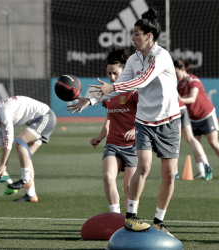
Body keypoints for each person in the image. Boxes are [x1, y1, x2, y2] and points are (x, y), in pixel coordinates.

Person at [68, 7, 180, 236]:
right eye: (133, 33)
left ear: (149, 36)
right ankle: (130, 217)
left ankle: (159, 221)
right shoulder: (133, 59)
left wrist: (113, 86)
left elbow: (142, 80)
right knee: (144, 167)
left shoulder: (161, 56)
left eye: (137, 34)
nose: (133, 38)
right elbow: (115, 91)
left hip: (169, 121)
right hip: (144, 122)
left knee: (169, 175)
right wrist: (88, 101)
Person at [0, 96, 57, 202]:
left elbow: (9, 139)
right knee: (26, 157)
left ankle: (25, 180)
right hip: (37, 121)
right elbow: (5, 141)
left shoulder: (4, 112)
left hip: (45, 117)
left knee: (20, 142)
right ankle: (31, 194)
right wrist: (3, 164)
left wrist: (2, 165)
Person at [89, 45, 138, 213]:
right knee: (108, 177)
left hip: (133, 146)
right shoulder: (107, 95)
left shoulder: (133, 91)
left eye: (115, 73)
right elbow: (109, 119)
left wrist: (136, 130)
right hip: (113, 144)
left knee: (128, 186)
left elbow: (147, 116)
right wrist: (100, 137)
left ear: (124, 72)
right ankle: (115, 217)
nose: (112, 77)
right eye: (109, 73)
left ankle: (130, 219)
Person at [174, 60, 219, 179]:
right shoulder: (178, 86)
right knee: (195, 143)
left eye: (176, 72)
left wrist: (178, 99)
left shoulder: (193, 81)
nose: (175, 75)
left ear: (182, 69)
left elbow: (192, 99)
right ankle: (201, 172)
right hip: (192, 119)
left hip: (206, 115)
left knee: (213, 143)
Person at [177, 96, 212, 180]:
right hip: (182, 107)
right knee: (191, 138)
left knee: (173, 141)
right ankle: (206, 164)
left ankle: (174, 172)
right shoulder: (173, 83)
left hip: (172, 110)